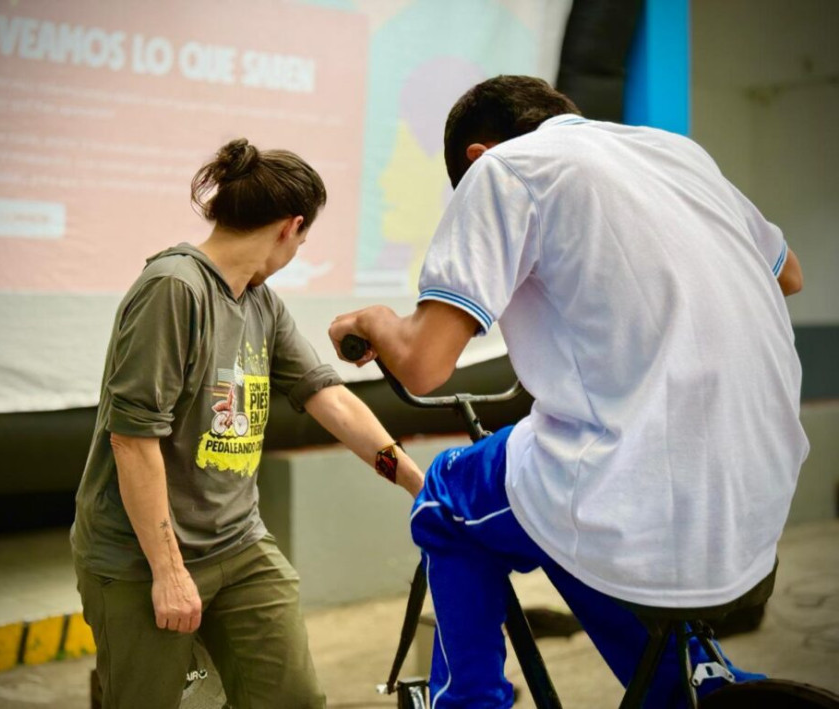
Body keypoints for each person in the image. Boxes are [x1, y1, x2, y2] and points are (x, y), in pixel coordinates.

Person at [329, 75, 808, 708]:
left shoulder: (504, 169)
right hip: (758, 496)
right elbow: (791, 276)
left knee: (449, 499)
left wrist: (369, 324)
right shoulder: (676, 154)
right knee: (555, 507)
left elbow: (422, 365)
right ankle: (693, 682)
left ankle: (470, 702)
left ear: (476, 156)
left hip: (639, 490)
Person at [71, 138, 424, 709]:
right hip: (141, 558)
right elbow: (132, 441)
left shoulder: (259, 301)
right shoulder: (174, 289)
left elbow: (326, 396)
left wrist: (418, 483)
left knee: (294, 699)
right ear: (292, 226)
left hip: (238, 545)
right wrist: (168, 573)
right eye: (305, 238)